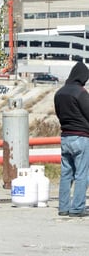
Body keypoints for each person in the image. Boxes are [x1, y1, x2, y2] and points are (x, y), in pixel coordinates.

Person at [54, 61, 89, 217]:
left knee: (66, 174)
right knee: (82, 174)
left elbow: (59, 113)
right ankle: (77, 208)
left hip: (65, 137)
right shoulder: (81, 93)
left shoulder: (59, 93)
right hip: (81, 137)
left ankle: (63, 207)